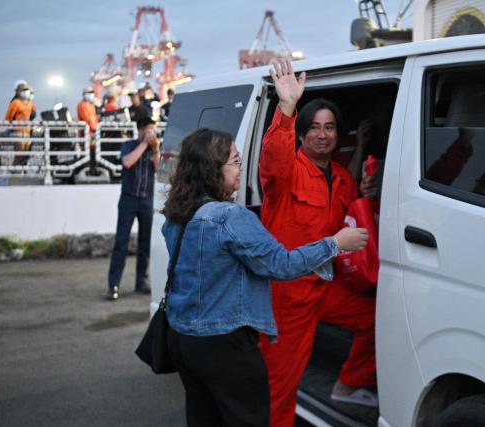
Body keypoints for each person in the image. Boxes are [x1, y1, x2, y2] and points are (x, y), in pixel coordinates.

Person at [162, 127, 369, 427]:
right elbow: (281, 264)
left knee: (205, 418)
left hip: (183, 339)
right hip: (225, 347)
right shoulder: (230, 217)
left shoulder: (177, 213)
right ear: (211, 169)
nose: (241, 168)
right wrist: (335, 243)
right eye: (234, 161)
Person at [259, 59, 378, 426]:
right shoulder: (288, 170)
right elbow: (273, 156)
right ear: (302, 133)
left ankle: (347, 385)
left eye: (329, 128)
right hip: (286, 295)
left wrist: (368, 193)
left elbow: (352, 214)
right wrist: (287, 107)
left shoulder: (342, 178)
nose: (322, 135)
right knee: (280, 385)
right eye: (314, 128)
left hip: (323, 286)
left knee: (377, 318)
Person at [106, 116, 160, 300]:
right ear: (141, 130)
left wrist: (156, 149)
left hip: (147, 200)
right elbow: (128, 162)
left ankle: (141, 282)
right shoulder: (129, 145)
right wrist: (144, 144)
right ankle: (113, 284)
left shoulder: (154, 148)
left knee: (145, 244)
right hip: (128, 200)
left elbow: (160, 171)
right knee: (121, 243)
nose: (152, 133)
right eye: (149, 129)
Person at [5, 80, 36, 166]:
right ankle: (15, 174)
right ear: (18, 92)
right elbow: (8, 117)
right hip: (18, 131)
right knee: (19, 155)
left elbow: (32, 115)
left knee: (25, 156)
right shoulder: (15, 102)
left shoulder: (29, 103)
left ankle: (21, 173)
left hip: (27, 131)